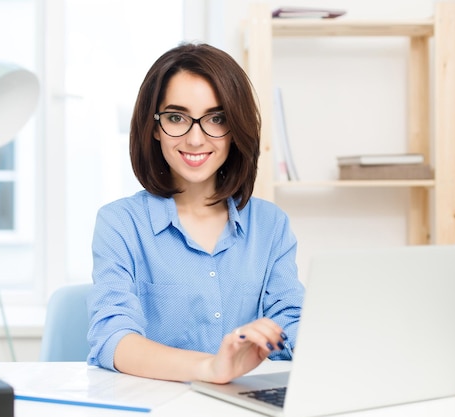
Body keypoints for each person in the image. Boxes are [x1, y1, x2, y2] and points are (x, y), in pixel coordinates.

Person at [86, 42, 304, 384]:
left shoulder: (270, 225)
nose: (196, 138)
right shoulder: (120, 224)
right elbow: (113, 339)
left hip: (242, 403)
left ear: (235, 128)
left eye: (216, 119)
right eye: (177, 118)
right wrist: (210, 368)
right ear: (155, 127)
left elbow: (292, 323)